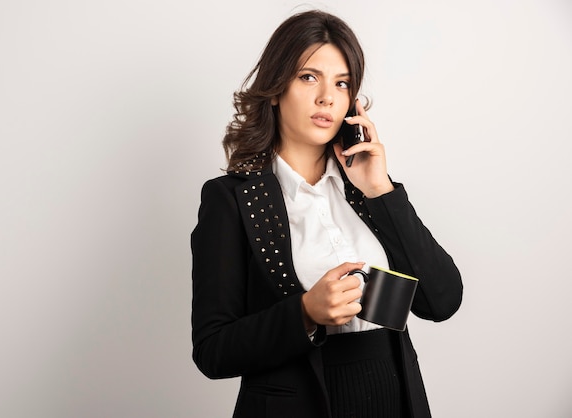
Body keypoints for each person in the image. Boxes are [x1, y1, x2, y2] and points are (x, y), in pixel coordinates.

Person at [191, 9, 462, 418]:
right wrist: (305, 313)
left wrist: (380, 190)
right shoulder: (231, 199)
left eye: (342, 83)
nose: (327, 97)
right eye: (308, 77)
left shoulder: (368, 191)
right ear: (276, 86)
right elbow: (213, 351)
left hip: (394, 398)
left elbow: (440, 301)